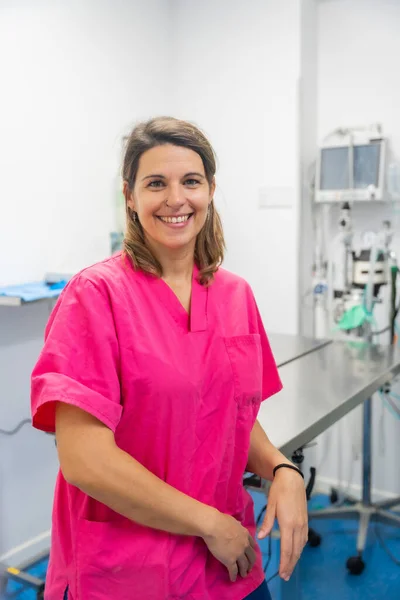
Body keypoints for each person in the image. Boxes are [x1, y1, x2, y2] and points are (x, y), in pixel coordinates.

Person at [31, 116, 308, 600]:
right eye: (156, 183)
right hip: (130, 571)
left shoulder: (235, 294)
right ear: (130, 196)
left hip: (226, 566)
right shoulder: (95, 295)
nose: (176, 199)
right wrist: (208, 524)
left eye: (191, 181)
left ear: (211, 190)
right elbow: (84, 459)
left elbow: (232, 416)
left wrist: (281, 469)